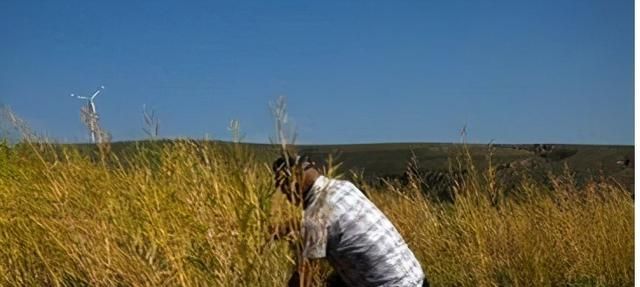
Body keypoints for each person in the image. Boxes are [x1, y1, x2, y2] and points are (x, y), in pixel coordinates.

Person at [271, 155, 427, 287]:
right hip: (416, 278)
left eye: (283, 187)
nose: (285, 194)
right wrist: (283, 229)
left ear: (293, 181)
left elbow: (305, 275)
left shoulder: (315, 215)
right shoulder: (345, 187)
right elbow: (331, 221)